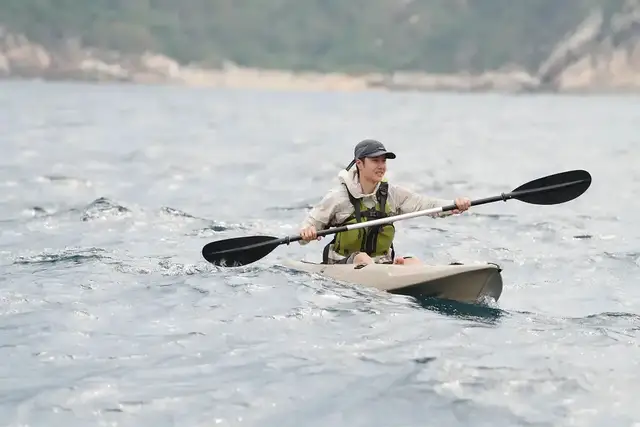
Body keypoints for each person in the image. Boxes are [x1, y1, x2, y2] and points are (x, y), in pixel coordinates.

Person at [298, 139, 471, 266]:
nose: (381, 166)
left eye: (383, 161)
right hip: (343, 264)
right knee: (362, 258)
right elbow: (308, 227)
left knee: (412, 262)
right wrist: (308, 232)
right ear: (359, 163)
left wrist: (453, 205)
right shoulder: (337, 197)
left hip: (381, 264)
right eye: (375, 161)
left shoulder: (392, 194)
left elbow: (424, 204)